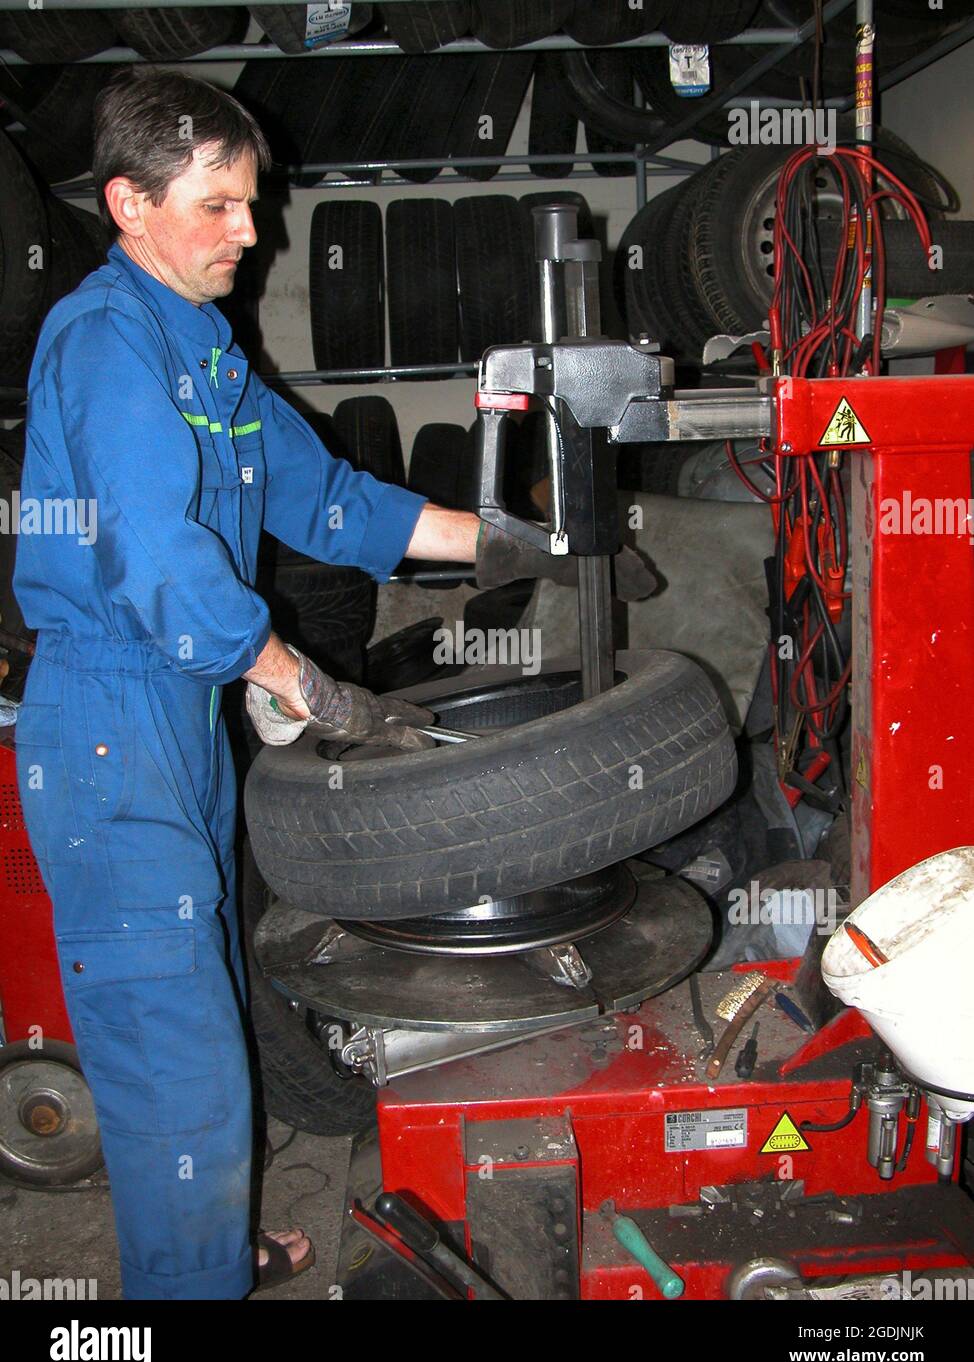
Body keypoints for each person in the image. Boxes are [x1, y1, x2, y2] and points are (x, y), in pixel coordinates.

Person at [13, 68, 652, 1300]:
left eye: (250, 202)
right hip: (108, 725)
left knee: (200, 1006)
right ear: (129, 205)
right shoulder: (102, 343)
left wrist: (508, 538)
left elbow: (327, 498)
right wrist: (288, 671)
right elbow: (153, 551)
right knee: (172, 1049)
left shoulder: (202, 346)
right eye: (217, 207)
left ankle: (206, 1245)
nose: (253, 233)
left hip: (175, 724)